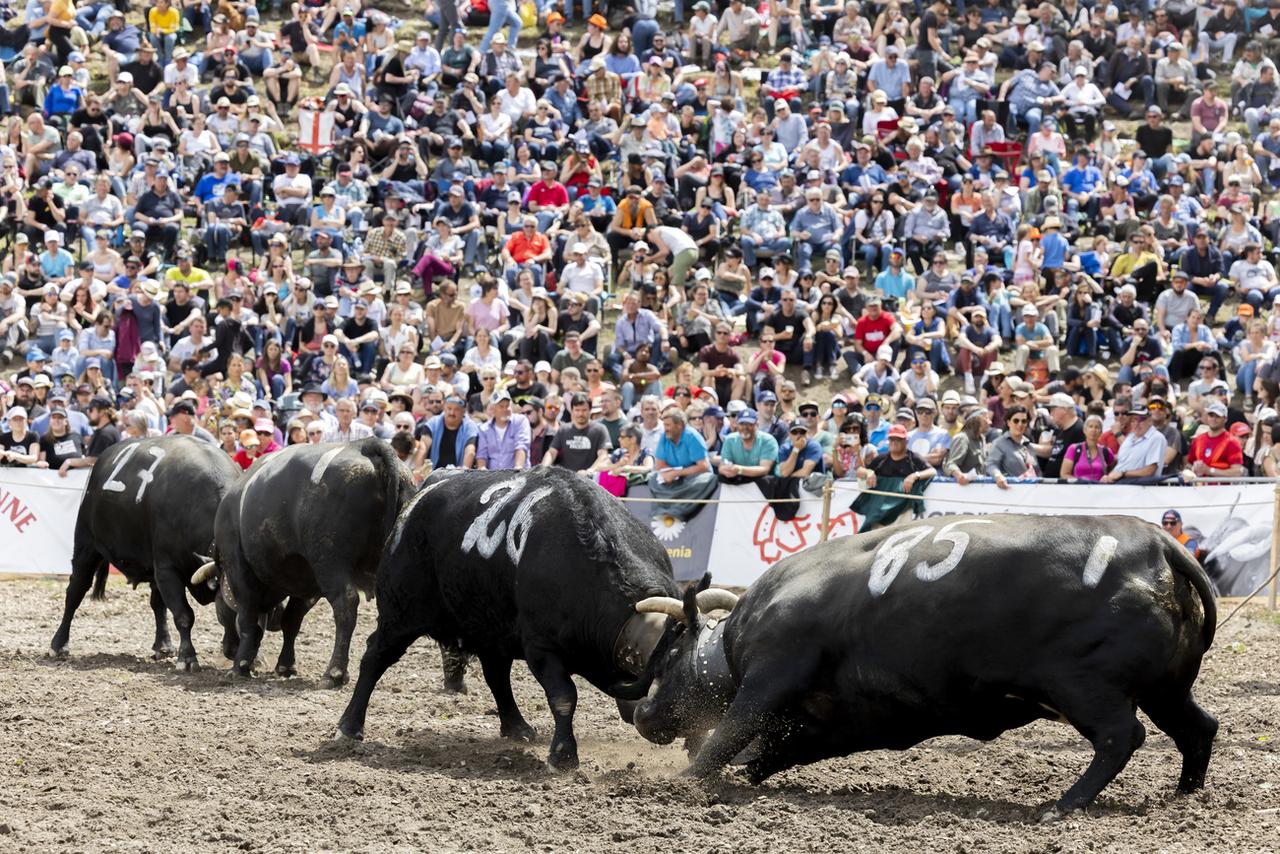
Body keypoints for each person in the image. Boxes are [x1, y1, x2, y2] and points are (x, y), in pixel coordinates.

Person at [648, 407, 718, 520]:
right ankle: (667, 508)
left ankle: (679, 510)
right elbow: (659, 465)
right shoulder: (664, 437)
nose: (665, 429)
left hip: (693, 478)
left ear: (679, 425)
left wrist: (677, 473)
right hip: (675, 480)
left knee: (707, 479)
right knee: (652, 477)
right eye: (664, 425)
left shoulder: (692, 437)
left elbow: (703, 466)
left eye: (668, 425)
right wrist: (667, 474)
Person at [542, 391, 609, 472]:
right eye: (577, 410)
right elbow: (552, 452)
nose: (580, 414)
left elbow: (603, 455)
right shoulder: (563, 429)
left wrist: (590, 471)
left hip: (589, 479)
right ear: (572, 410)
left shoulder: (600, 429)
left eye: (584, 410)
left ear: (590, 410)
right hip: (566, 479)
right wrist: (543, 468)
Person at [1102, 406, 1167, 484]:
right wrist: (1109, 476)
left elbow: (1149, 471)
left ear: (1150, 421)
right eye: (1133, 420)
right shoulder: (1130, 437)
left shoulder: (1156, 438)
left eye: (1140, 420)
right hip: (1120, 486)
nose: (1136, 424)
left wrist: (1123, 473)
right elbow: (1121, 465)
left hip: (1139, 489)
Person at [1188, 401, 1246, 478]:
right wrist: (1190, 470)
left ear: (1225, 419)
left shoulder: (1232, 442)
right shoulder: (1198, 440)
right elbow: (1189, 464)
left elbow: (1237, 472)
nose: (1213, 419)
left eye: (1218, 416)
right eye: (1211, 415)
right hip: (1199, 488)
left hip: (1222, 489)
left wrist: (1209, 470)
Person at [475, 389, 531, 469]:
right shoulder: (484, 429)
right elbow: (482, 455)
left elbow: (521, 446)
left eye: (507, 406)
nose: (505, 409)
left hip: (517, 474)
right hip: (492, 477)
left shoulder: (520, 421)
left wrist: (518, 468)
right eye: (501, 406)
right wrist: (482, 470)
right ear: (493, 409)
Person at [1060, 413, 1115, 482]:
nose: (1093, 430)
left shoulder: (1106, 451)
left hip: (1099, 490)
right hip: (1078, 489)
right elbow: (1064, 474)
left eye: (1097, 427)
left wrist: (1107, 477)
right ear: (1084, 430)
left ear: (1101, 432)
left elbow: (1113, 471)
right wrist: (1080, 482)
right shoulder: (1074, 449)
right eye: (1090, 426)